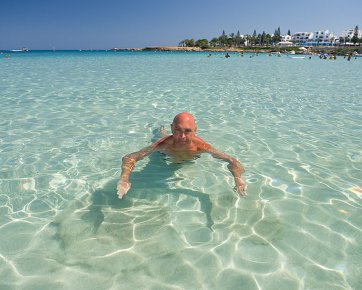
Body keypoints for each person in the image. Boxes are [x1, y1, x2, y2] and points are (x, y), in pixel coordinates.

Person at [117, 112, 247, 199]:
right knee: (161, 136)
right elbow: (129, 158)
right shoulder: (163, 144)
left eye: (187, 131)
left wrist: (238, 178)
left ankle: (163, 131)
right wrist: (124, 179)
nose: (182, 136)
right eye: (177, 130)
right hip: (163, 156)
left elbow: (232, 161)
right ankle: (161, 131)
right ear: (172, 128)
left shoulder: (201, 146)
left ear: (195, 131)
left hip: (188, 158)